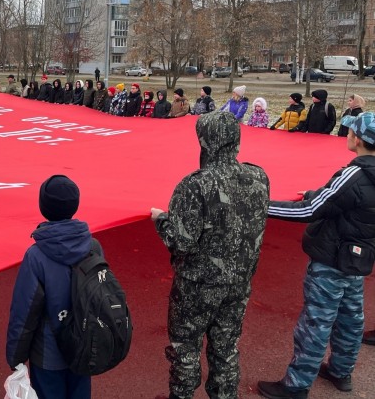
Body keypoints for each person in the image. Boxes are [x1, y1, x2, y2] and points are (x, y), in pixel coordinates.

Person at [152, 111, 270, 399]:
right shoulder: (258, 177)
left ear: (203, 141)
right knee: (226, 347)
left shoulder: (195, 185)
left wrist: (160, 220)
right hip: (239, 283)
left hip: (197, 286)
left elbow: (182, 242)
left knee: (185, 348)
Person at [257, 112, 375, 399]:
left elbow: (309, 211)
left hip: (331, 258)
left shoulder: (354, 174)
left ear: (357, 138)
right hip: (358, 259)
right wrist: (315, 194)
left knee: (317, 322)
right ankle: (340, 371)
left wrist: (261, 205)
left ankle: (296, 385)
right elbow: (340, 201)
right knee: (351, 318)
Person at [6, 175, 100, 399]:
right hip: (84, 346)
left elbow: (25, 311)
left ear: (43, 207)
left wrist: (15, 356)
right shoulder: (93, 245)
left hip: (49, 353)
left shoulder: (36, 255)